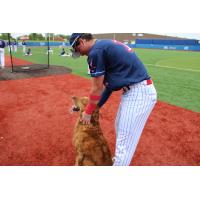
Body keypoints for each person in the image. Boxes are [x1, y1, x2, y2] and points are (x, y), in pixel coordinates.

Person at [69, 33, 157, 166]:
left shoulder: (96, 51)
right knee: (119, 127)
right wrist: (92, 109)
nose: (80, 54)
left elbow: (97, 88)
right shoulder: (103, 46)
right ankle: (120, 162)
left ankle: (120, 164)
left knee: (124, 142)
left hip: (139, 93)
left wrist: (88, 112)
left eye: (78, 50)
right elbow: (107, 87)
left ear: (81, 42)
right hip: (134, 92)